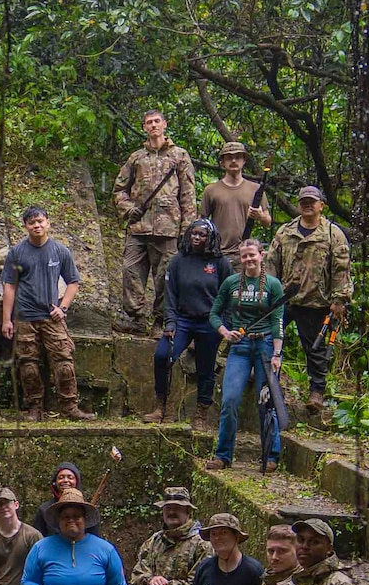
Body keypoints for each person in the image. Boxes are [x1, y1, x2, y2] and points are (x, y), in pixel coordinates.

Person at [260, 186, 351, 414]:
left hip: (316, 301)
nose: (307, 205)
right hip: (285, 300)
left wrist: (340, 299)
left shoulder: (332, 233)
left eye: (312, 201)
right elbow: (271, 263)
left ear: (321, 205)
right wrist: (268, 292)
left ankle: (316, 392)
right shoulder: (285, 231)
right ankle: (265, 381)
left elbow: (341, 268)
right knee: (267, 336)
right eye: (303, 201)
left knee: (315, 349)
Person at [0, 206, 95, 421]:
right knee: (27, 364)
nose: (37, 225)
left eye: (41, 221)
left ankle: (70, 406)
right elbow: (9, 286)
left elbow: (73, 281)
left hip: (52, 316)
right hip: (25, 316)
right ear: (25, 226)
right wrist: (6, 319)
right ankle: (34, 407)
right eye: (32, 222)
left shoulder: (60, 251)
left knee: (64, 361)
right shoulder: (17, 253)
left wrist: (63, 308)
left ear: (48, 223)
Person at [111, 110, 197, 333]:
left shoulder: (179, 156)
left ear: (165, 124)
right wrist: (129, 209)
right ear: (144, 127)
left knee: (165, 278)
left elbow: (188, 194)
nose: (153, 125)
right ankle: (135, 318)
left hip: (169, 228)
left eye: (157, 121)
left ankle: (161, 320)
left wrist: (187, 230)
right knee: (130, 271)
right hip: (139, 227)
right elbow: (119, 189)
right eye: (149, 122)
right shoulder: (136, 158)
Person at [209, 238, 288, 472]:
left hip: (264, 346)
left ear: (261, 255)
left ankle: (271, 456)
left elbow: (277, 321)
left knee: (268, 401)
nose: (248, 259)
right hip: (240, 347)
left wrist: (277, 353)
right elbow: (214, 313)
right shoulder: (232, 283)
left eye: (252, 255)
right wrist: (224, 332)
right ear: (240, 259)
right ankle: (223, 455)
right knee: (230, 399)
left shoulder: (273, 285)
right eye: (244, 256)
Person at [155, 218, 231, 431]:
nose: (196, 238)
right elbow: (169, 296)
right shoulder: (178, 260)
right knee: (162, 355)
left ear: (211, 238)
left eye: (202, 235)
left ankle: (201, 412)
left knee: (205, 369)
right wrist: (170, 323)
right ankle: (160, 404)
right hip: (183, 319)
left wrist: (224, 324)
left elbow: (229, 295)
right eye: (193, 233)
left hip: (210, 321)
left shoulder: (221, 263)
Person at [199, 140, 271, 254]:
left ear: (244, 161)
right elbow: (201, 223)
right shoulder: (211, 190)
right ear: (222, 162)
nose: (233, 160)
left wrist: (260, 216)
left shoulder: (256, 189)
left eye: (238, 157)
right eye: (229, 158)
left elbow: (268, 222)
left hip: (245, 254)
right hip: (218, 254)